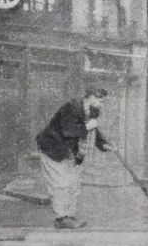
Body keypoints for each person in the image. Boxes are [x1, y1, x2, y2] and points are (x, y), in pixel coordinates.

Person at [35, 86, 111, 229]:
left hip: (72, 152)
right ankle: (60, 218)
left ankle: (69, 216)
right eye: (99, 100)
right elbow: (68, 131)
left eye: (103, 101)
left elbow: (93, 131)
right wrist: (88, 126)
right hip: (53, 149)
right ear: (89, 97)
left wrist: (103, 144)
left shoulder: (93, 110)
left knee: (73, 184)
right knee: (60, 184)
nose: (102, 104)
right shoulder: (71, 107)